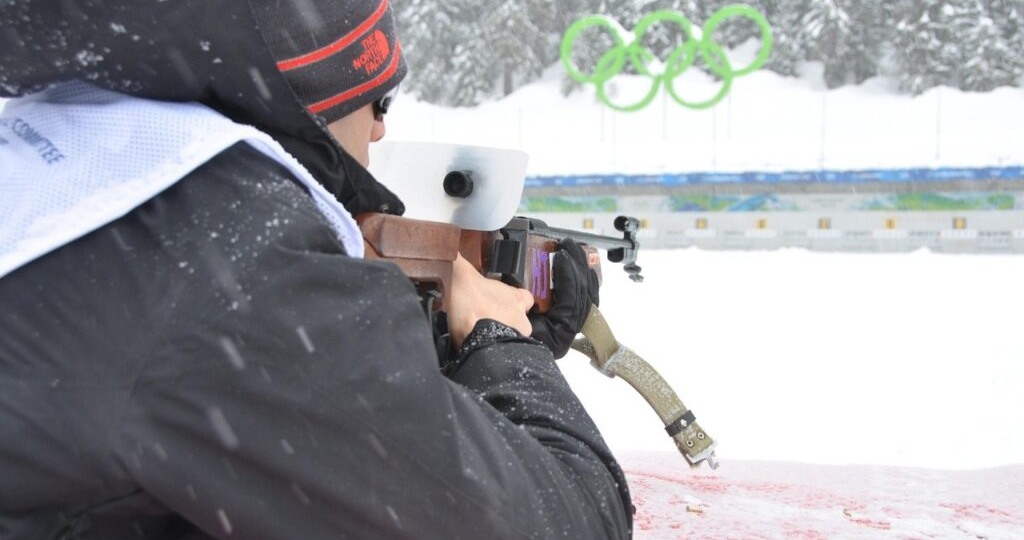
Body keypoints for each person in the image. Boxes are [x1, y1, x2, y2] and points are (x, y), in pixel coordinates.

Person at [0, 1, 632, 539]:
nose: (382, 132)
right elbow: (573, 516)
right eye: (379, 99)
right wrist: (501, 345)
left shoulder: (82, 158)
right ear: (313, 96)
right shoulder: (236, 263)